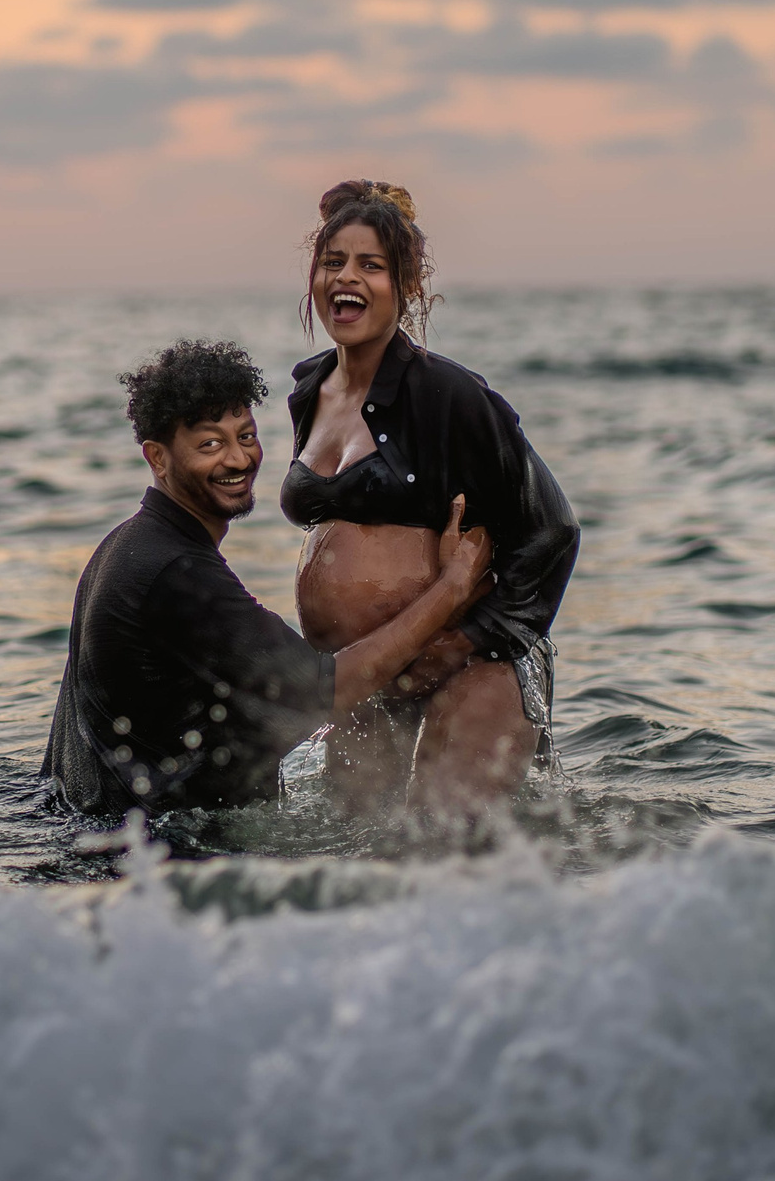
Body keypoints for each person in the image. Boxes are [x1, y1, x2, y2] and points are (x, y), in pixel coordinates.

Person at [43, 339, 492, 821]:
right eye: (210, 445)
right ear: (158, 458)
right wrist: (452, 587)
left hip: (87, 830)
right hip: (156, 861)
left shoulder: (124, 546)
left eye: (247, 436)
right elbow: (329, 690)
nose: (238, 460)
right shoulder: (176, 573)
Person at [284, 180, 580, 817]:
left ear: (407, 285)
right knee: (355, 863)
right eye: (333, 262)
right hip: (369, 682)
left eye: (371, 265)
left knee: (449, 857)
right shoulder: (309, 392)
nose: (347, 278)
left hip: (471, 668)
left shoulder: (448, 394)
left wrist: (464, 637)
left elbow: (552, 531)